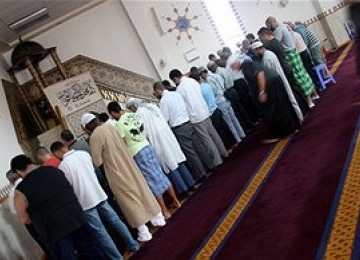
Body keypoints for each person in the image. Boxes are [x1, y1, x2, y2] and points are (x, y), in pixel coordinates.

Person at [80, 113, 164, 242]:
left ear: (86, 127)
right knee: (142, 190)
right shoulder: (110, 126)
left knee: (128, 199)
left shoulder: (95, 136)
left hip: (116, 171)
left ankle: (143, 231)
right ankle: (157, 217)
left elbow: (97, 161)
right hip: (129, 164)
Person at [51, 142, 139, 259]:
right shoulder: (84, 154)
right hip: (98, 193)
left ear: (57, 153)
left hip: (85, 201)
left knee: (100, 232)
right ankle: (133, 244)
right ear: (65, 147)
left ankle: (117, 258)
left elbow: (69, 186)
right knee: (116, 221)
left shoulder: (63, 166)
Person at [10, 154, 101, 260]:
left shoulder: (21, 189)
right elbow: (70, 189)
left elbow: (24, 218)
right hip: (76, 217)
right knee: (91, 252)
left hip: (53, 230)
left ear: (18, 171)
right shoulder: (54, 170)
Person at [107, 103, 181, 219]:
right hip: (147, 145)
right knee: (159, 174)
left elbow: (122, 142)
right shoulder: (133, 115)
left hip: (137, 153)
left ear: (112, 113)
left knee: (152, 181)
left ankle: (165, 211)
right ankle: (176, 201)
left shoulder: (120, 124)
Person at [126, 98, 196, 197]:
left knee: (169, 165)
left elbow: (143, 132)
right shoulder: (152, 106)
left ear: (133, 107)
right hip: (167, 135)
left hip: (158, 140)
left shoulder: (138, 115)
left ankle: (183, 190)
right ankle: (191, 183)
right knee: (177, 160)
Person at [229, 59, 300, 142]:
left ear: (237, 63)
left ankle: (279, 134)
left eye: (233, 66)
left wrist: (262, 92)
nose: (233, 69)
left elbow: (260, 74)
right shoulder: (248, 63)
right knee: (282, 105)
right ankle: (292, 128)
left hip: (269, 85)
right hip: (274, 81)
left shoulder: (246, 65)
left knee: (270, 110)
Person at [169, 69, 228, 170]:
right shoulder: (192, 81)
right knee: (214, 134)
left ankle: (218, 161)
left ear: (175, 79)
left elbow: (184, 106)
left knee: (206, 140)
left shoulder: (180, 89)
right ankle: (224, 152)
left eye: (173, 81)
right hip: (205, 111)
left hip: (195, 117)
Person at [152, 82, 207, 182]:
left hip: (179, 128)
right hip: (188, 122)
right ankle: (208, 166)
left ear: (157, 91)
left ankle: (201, 173)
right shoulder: (176, 94)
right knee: (198, 146)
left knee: (190, 152)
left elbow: (165, 118)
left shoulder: (164, 101)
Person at [266, 16, 316, 108]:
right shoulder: (283, 26)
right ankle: (314, 94)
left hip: (290, 54)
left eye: (268, 25)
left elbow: (276, 43)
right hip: (294, 52)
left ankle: (309, 101)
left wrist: (269, 39)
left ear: (271, 23)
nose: (269, 28)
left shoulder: (278, 29)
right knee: (303, 73)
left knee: (299, 77)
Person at [251, 41, 305, 121]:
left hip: (278, 81)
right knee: (290, 97)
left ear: (257, 50)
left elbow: (269, 74)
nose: (255, 54)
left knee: (289, 99)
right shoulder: (269, 53)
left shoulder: (266, 58)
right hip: (280, 78)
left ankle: (298, 117)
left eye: (255, 52)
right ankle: (299, 116)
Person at [189, 69, 237, 150]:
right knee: (225, 126)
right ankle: (234, 141)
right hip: (216, 108)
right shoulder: (206, 85)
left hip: (211, 112)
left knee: (220, 131)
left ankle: (228, 147)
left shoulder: (199, 90)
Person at [6, 170, 51, 256]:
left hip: (32, 222)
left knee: (45, 245)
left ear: (10, 181)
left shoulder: (12, 194)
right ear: (19, 174)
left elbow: (16, 212)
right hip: (47, 215)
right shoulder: (32, 181)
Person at [199, 66, 246, 144]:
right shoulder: (216, 75)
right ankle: (242, 133)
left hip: (220, 101)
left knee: (229, 121)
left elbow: (213, 91)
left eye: (201, 74)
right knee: (234, 117)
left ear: (203, 73)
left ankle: (237, 138)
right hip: (226, 97)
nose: (201, 77)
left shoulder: (209, 80)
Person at [207, 61, 255, 132]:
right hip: (233, 90)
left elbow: (223, 84)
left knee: (236, 112)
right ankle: (249, 124)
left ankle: (245, 128)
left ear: (212, 68)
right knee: (240, 109)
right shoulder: (223, 69)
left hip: (228, 92)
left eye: (210, 69)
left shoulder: (218, 73)